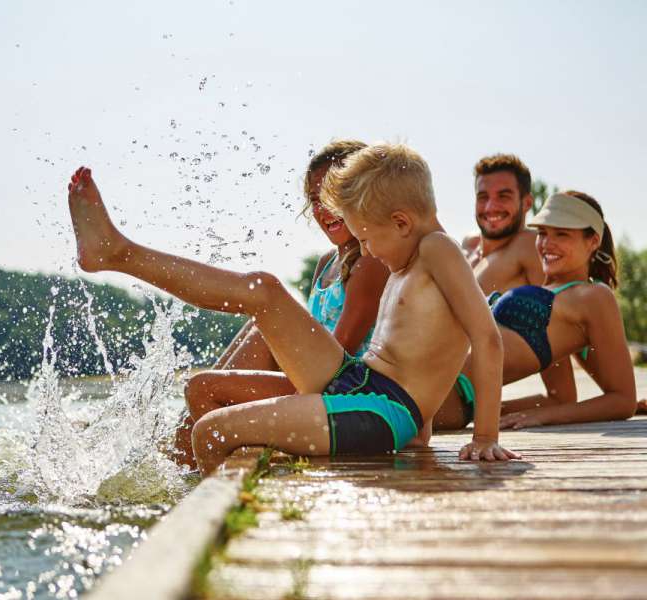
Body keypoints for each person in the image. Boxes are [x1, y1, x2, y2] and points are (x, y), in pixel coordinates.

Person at [67, 142, 519, 476]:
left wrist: (485, 438)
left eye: (367, 238)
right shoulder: (409, 256)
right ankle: (117, 252)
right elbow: (422, 346)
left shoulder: (439, 249)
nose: (366, 250)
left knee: (211, 431)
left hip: (382, 410)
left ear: (401, 221)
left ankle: (202, 533)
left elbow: (485, 337)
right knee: (264, 289)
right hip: (360, 380)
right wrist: (422, 430)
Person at [173, 141, 389, 466]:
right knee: (259, 327)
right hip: (315, 382)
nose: (323, 208)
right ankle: (178, 460)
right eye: (315, 199)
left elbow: (339, 361)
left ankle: (187, 471)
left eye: (335, 194)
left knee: (205, 387)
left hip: (343, 395)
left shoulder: (369, 263)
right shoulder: (327, 264)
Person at [436, 191, 636, 430]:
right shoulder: (552, 296)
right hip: (437, 381)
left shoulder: (594, 296)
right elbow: (559, 397)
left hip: (447, 392)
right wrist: (502, 411)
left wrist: (543, 417)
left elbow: (623, 400)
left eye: (561, 234)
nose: (546, 243)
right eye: (542, 233)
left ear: (593, 241)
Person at [441, 154, 576, 429]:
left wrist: (489, 410)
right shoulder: (466, 247)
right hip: (420, 366)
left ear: (527, 202)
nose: (491, 206)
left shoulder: (529, 248)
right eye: (482, 196)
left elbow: (555, 332)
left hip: (452, 391)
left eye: (504, 196)